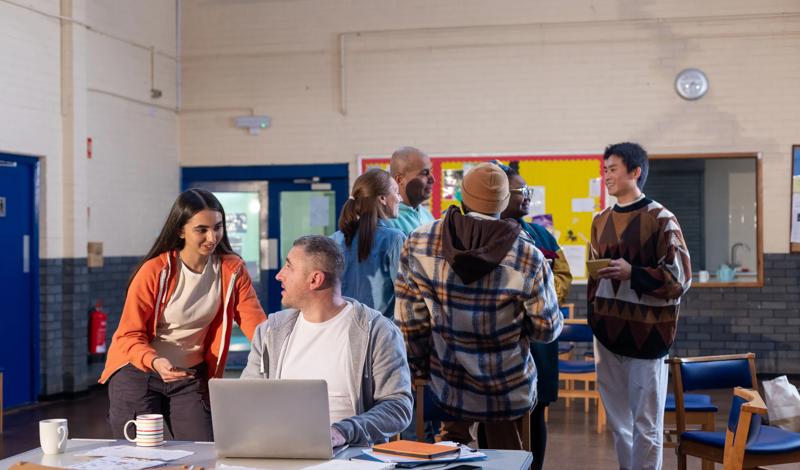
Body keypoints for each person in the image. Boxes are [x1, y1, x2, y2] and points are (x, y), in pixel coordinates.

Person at [395, 162, 563, 450]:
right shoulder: (528, 255)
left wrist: (419, 369)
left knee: (449, 451)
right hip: (507, 389)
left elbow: (410, 323)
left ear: (463, 195)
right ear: (504, 201)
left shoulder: (419, 242)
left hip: (446, 383)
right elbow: (546, 329)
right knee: (507, 455)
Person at [100, 189, 267, 441]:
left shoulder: (232, 269)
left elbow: (256, 324)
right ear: (180, 231)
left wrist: (280, 353)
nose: (212, 237)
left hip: (188, 375)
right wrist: (155, 361)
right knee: (139, 454)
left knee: (202, 449)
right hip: (138, 371)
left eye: (218, 227)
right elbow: (128, 335)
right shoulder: (154, 271)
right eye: (202, 230)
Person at [241, 235, 412, 447]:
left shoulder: (378, 332)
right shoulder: (270, 331)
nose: (279, 275)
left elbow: (398, 407)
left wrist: (343, 432)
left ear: (315, 279)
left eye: (289, 267)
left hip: (352, 455)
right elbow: (246, 398)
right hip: (281, 450)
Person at [590, 142, 691, 470]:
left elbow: (680, 279)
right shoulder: (600, 219)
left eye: (613, 169)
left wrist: (632, 273)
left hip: (647, 335)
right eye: (604, 169)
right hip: (606, 334)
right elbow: (593, 276)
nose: (606, 176)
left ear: (635, 172)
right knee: (619, 424)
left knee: (646, 424)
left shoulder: (661, 218)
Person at [496, 160, 572, 470]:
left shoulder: (541, 234)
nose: (527, 196)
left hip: (539, 337)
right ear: (501, 194)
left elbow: (563, 274)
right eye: (521, 191)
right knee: (497, 416)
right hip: (503, 340)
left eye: (529, 190)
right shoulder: (487, 234)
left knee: (537, 410)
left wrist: (542, 295)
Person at [331, 168, 406, 318]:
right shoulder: (394, 239)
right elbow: (406, 296)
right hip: (382, 329)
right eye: (396, 192)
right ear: (382, 199)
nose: (400, 199)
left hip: (341, 327)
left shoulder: (333, 240)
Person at [387, 146, 436, 235]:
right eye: (424, 173)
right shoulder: (388, 222)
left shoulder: (426, 214)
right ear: (400, 180)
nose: (432, 179)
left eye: (431, 171)